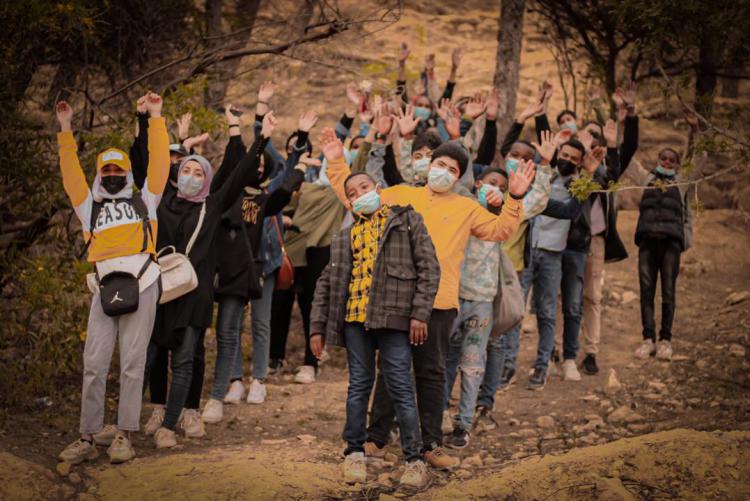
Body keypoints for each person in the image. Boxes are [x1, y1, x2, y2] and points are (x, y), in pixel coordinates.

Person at [322, 126, 535, 469]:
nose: (444, 172)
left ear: (460, 177)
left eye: (453, 170)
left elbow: (500, 231)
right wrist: (336, 165)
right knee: (390, 369)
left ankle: (430, 445)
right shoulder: (403, 195)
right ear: (428, 164)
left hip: (440, 302)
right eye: (441, 164)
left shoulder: (466, 207)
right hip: (396, 300)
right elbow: (358, 199)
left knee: (431, 372)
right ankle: (377, 438)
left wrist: (515, 198)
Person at [144, 112, 277, 449]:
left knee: (186, 358)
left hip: (194, 296)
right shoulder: (160, 203)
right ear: (176, 173)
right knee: (155, 357)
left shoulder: (212, 206)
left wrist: (261, 138)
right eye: (186, 169)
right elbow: (147, 162)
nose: (191, 176)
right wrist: (154, 120)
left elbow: (239, 174)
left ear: (206, 179)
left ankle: (170, 425)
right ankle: (158, 412)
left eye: (198, 172)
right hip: (161, 294)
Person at [55, 93, 169, 465]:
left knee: (134, 362)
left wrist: (156, 117)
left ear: (128, 173)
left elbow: (161, 165)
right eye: (107, 171)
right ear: (100, 174)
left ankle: (124, 434)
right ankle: (88, 436)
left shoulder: (145, 201)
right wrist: (66, 129)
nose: (114, 175)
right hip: (104, 288)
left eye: (119, 170)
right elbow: (71, 175)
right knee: (94, 362)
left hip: (144, 282)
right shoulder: (90, 207)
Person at [309, 171, 439, 487]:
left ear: (378, 189)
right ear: (350, 202)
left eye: (364, 187)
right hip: (355, 319)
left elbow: (429, 268)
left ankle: (415, 459)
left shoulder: (405, 221)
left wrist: (419, 315)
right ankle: (354, 452)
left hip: (394, 318)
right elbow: (326, 282)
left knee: (400, 386)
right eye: (352, 193)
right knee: (358, 386)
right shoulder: (344, 236)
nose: (359, 194)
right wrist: (317, 327)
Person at [444, 132, 557, 446]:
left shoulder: (509, 214)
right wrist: (455, 137)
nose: (495, 189)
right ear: (477, 186)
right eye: (490, 183)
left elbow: (534, 200)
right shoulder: (462, 205)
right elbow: (448, 177)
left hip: (482, 303)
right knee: (445, 359)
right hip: (450, 297)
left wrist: (545, 164)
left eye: (503, 187)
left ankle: (463, 424)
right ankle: (437, 413)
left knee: (472, 362)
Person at [203, 108, 314, 422]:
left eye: (263, 164)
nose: (259, 166)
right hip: (224, 270)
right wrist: (237, 127)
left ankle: (255, 381)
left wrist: (302, 162)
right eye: (255, 161)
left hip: (257, 266)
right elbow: (235, 158)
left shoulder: (264, 199)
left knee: (254, 325)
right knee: (229, 329)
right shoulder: (225, 194)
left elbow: (285, 184)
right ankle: (232, 382)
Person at [626, 110, 705, 361]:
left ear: (678, 165)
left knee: (668, 291)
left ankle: (666, 341)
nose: (667, 162)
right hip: (647, 243)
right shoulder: (646, 179)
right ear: (658, 160)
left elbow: (699, 159)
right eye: (664, 158)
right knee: (646, 290)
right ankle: (648, 339)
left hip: (671, 244)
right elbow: (627, 161)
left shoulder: (681, 182)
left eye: (672, 160)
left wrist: (695, 132)